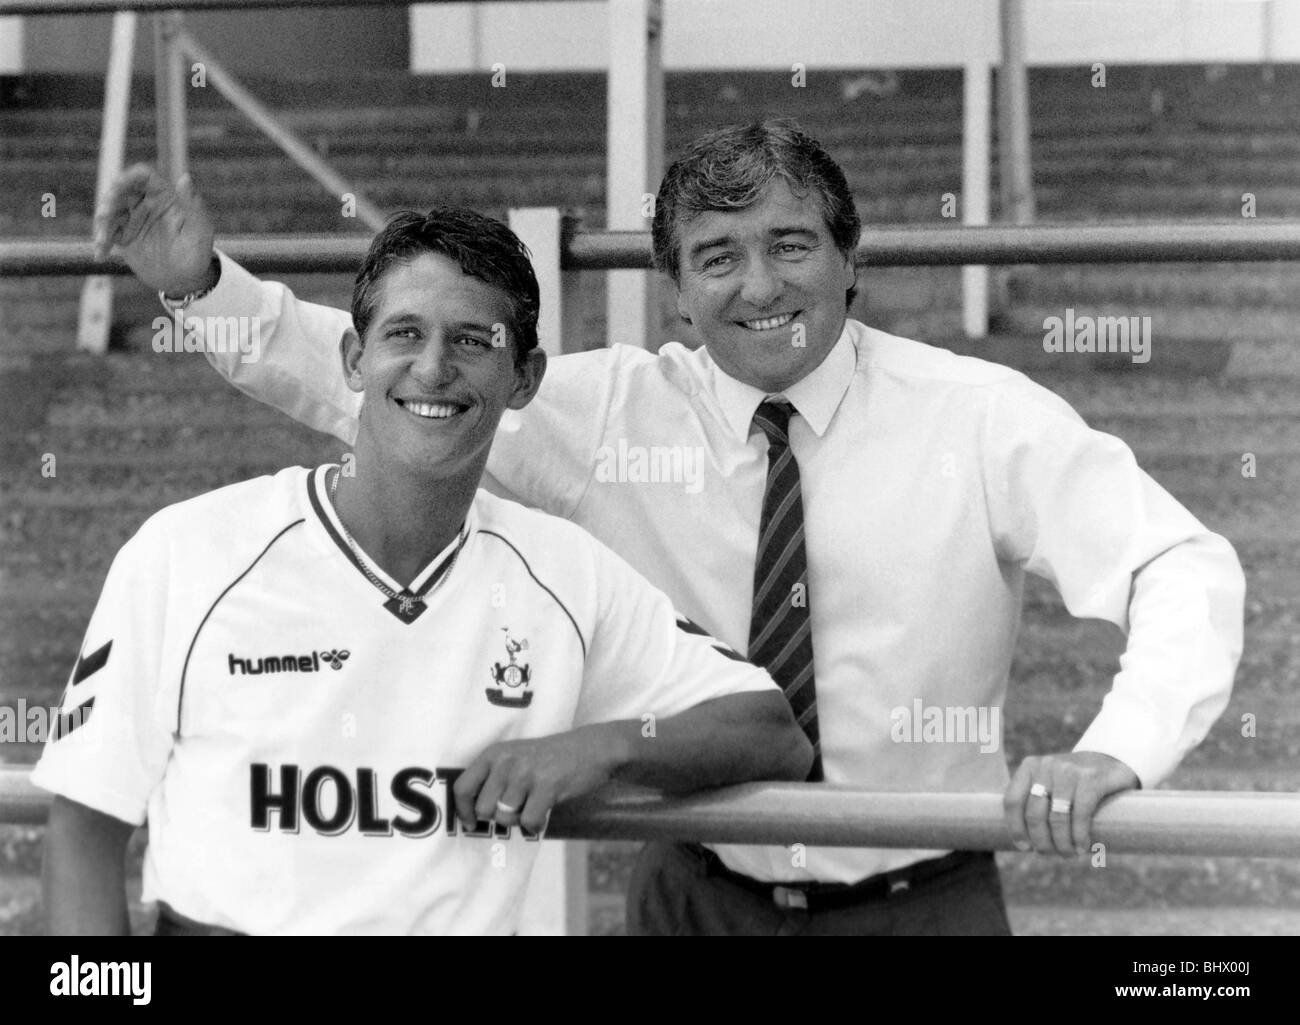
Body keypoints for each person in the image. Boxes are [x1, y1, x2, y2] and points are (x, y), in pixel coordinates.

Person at [92, 119, 1245, 936]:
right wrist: (201, 285)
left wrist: (1118, 746)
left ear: (852, 259)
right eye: (716, 258)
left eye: (791, 244)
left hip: (923, 898)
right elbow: (369, 378)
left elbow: (1176, 559)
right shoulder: (612, 412)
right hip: (693, 896)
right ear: (676, 291)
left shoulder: (982, 419)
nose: (759, 286)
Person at [35, 205, 813, 936]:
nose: (433, 368)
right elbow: (83, 825)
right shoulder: (190, 551)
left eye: (474, 341)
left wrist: (595, 748)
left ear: (526, 378)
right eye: (405, 333)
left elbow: (770, 734)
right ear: (353, 357)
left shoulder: (562, 574)